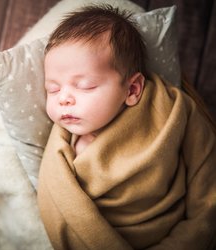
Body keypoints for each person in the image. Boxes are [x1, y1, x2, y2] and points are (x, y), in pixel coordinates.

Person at [37, 4, 216, 250]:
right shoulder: (61, 148)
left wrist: (193, 234)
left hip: (173, 227)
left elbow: (206, 171)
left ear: (132, 90)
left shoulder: (172, 110)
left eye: (85, 86)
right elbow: (58, 204)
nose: (63, 98)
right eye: (53, 89)